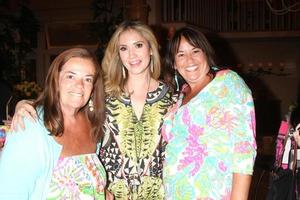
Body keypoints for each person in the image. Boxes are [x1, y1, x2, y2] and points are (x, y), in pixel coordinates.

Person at [6, 21, 177, 200]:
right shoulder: (103, 96)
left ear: (151, 48)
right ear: (118, 54)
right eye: (124, 48)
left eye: (138, 45)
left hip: (160, 195)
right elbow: (64, 103)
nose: (132, 54)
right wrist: (26, 104)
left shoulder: (174, 99)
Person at [162, 26, 257, 199]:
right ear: (174, 63)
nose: (189, 60)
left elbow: (244, 149)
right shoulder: (180, 95)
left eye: (195, 51)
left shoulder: (228, 83)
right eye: (181, 54)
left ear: (206, 53)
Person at [0, 48, 107, 199]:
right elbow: (9, 193)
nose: (80, 85)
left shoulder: (93, 124)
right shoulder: (31, 125)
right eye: (71, 76)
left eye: (88, 79)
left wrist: (101, 191)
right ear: (56, 79)